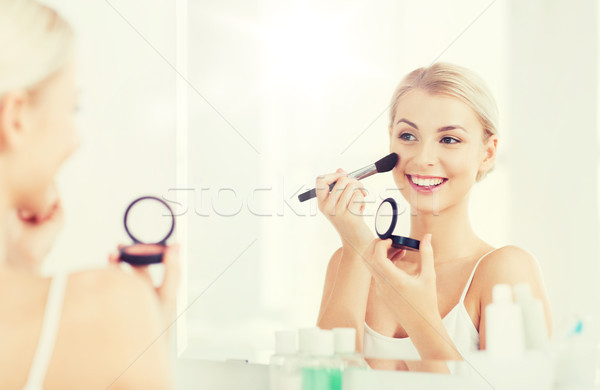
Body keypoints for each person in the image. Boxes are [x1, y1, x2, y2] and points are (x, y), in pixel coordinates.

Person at [315, 63, 552, 367]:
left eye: (449, 139)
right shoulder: (346, 261)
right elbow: (324, 382)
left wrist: (418, 316)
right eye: (408, 136)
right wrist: (355, 248)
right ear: (390, 139)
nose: (423, 158)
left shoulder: (505, 271)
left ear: (488, 152)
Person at [0, 1, 179, 388]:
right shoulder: (111, 308)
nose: (75, 139)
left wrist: (20, 267)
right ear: (16, 117)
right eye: (72, 108)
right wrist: (145, 341)